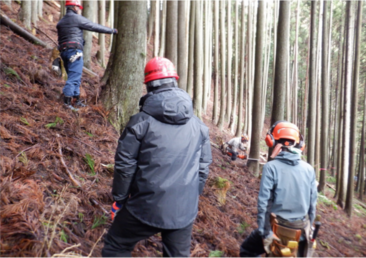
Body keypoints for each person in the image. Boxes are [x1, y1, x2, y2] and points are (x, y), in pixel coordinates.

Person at [102, 57, 212, 257]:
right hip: (183, 211)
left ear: (149, 86)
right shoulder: (199, 126)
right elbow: (203, 168)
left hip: (144, 206)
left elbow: (125, 166)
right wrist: (191, 197)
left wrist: (119, 199)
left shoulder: (140, 122)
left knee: (116, 245)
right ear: (175, 82)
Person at [239, 121, 318, 257]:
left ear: (271, 140)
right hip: (300, 229)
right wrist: (309, 228)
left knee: (248, 250)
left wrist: (265, 231)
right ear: (300, 144)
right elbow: (312, 205)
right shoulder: (309, 169)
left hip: (277, 228)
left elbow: (264, 203)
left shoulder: (271, 167)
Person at [56, 0, 117, 111]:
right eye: (78, 8)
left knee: (75, 76)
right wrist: (112, 31)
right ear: (74, 7)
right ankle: (67, 103)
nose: (79, 10)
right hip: (74, 52)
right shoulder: (77, 19)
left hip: (64, 52)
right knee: (74, 78)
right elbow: (93, 26)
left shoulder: (61, 22)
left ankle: (76, 100)